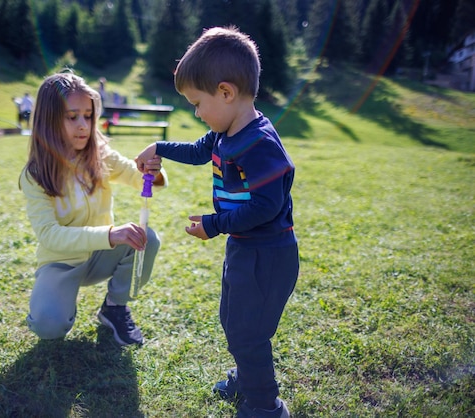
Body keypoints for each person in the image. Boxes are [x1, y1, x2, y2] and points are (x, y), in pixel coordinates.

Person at [136, 27, 298, 418]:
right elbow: (195, 151)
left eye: (197, 103)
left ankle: (265, 405)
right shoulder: (224, 132)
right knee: (234, 321)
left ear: (226, 93)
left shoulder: (259, 142)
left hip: (268, 254)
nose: (197, 113)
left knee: (249, 331)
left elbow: (267, 205)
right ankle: (247, 376)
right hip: (245, 248)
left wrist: (215, 223)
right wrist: (158, 147)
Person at [19, 71, 167, 346]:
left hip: (101, 255)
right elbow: (50, 235)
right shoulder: (35, 174)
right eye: (72, 116)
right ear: (49, 119)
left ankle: (114, 307)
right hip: (61, 261)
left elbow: (138, 177)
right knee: (49, 326)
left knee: (148, 239)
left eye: (88, 115)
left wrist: (150, 171)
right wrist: (110, 234)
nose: (83, 125)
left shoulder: (101, 155)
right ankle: (58, 302)